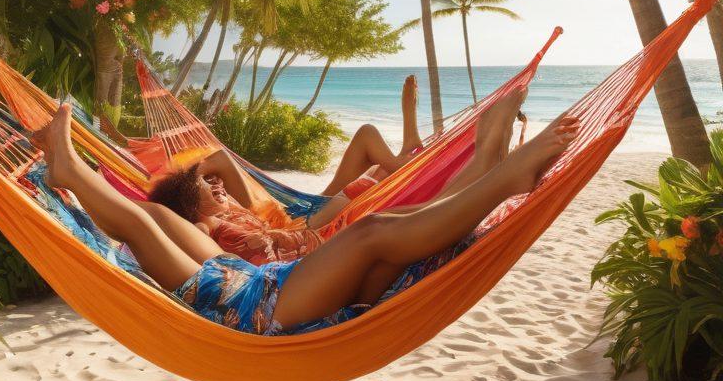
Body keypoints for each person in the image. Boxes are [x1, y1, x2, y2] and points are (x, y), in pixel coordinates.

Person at [32, 99, 578, 336]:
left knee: (395, 234)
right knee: (375, 231)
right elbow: (138, 219)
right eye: (207, 189)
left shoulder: (211, 259)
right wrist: (87, 184)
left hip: (277, 287)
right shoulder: (200, 242)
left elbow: (145, 217)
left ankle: (489, 165)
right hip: (265, 308)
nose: (219, 189)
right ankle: (497, 175)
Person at [147, 81, 527, 264]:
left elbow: (217, 162)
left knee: (376, 162)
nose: (217, 189)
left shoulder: (228, 207)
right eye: (205, 186)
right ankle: (459, 162)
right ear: (186, 201)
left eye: (211, 184)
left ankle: (449, 158)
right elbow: (182, 240)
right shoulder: (205, 225)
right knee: (383, 186)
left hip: (307, 225)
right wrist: (182, 182)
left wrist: (190, 177)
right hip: (314, 235)